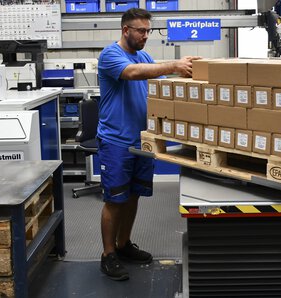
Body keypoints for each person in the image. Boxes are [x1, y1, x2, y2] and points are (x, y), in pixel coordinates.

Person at [97, 8, 199, 281]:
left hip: (142, 141)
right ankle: (108, 255)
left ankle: (123, 244)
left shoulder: (145, 56)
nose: (145, 36)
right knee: (114, 200)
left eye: (148, 31)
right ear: (125, 30)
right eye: (141, 31)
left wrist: (191, 80)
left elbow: (162, 85)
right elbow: (132, 73)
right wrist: (173, 65)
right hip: (116, 141)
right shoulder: (111, 55)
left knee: (133, 196)